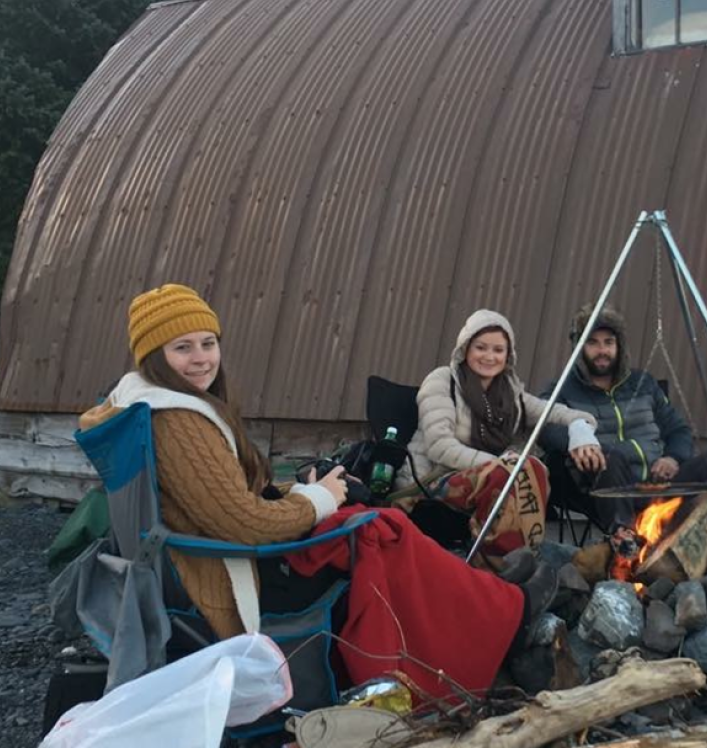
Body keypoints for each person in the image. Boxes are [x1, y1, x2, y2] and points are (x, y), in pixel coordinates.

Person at [79, 284, 555, 702]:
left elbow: (223, 496)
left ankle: (485, 595)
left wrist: (304, 490)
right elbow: (246, 523)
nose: (201, 358)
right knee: (381, 530)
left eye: (208, 343)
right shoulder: (180, 423)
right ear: (152, 355)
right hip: (229, 575)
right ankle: (507, 614)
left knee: (368, 519)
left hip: (202, 557)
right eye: (182, 348)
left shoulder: (154, 405)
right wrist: (319, 499)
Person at [398, 308, 600, 568]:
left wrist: (580, 432)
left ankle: (524, 557)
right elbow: (440, 447)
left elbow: (558, 412)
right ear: (465, 349)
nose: (489, 356)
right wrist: (500, 464)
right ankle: (495, 564)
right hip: (430, 483)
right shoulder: (443, 381)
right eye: (481, 347)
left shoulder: (509, 393)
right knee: (510, 471)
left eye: (498, 350)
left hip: (490, 480)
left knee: (534, 467)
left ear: (508, 355)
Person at [542, 303, 707, 548]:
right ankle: (626, 541)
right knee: (609, 456)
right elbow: (544, 427)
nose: (602, 350)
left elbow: (678, 429)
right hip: (610, 491)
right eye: (592, 343)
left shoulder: (643, 383)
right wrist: (578, 441)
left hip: (660, 485)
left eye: (608, 342)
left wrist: (672, 458)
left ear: (619, 346)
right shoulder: (564, 388)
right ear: (579, 347)